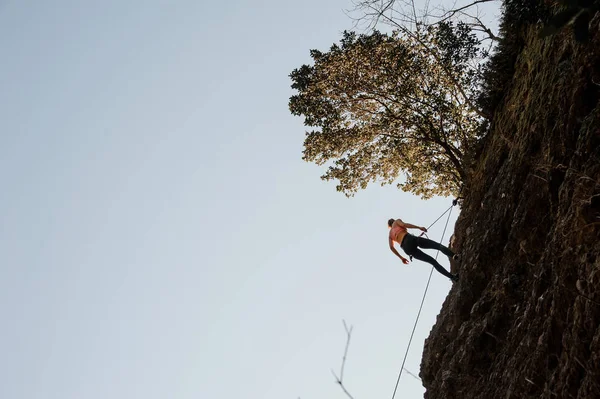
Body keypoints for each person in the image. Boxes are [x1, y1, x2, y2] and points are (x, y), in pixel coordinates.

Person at [388, 218, 459, 282]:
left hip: (406, 249)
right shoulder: (396, 222)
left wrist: (401, 258)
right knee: (438, 246)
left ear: (389, 226)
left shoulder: (390, 235)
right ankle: (455, 256)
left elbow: (391, 247)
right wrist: (419, 227)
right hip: (409, 238)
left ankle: (453, 277)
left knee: (433, 262)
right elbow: (404, 225)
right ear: (393, 221)